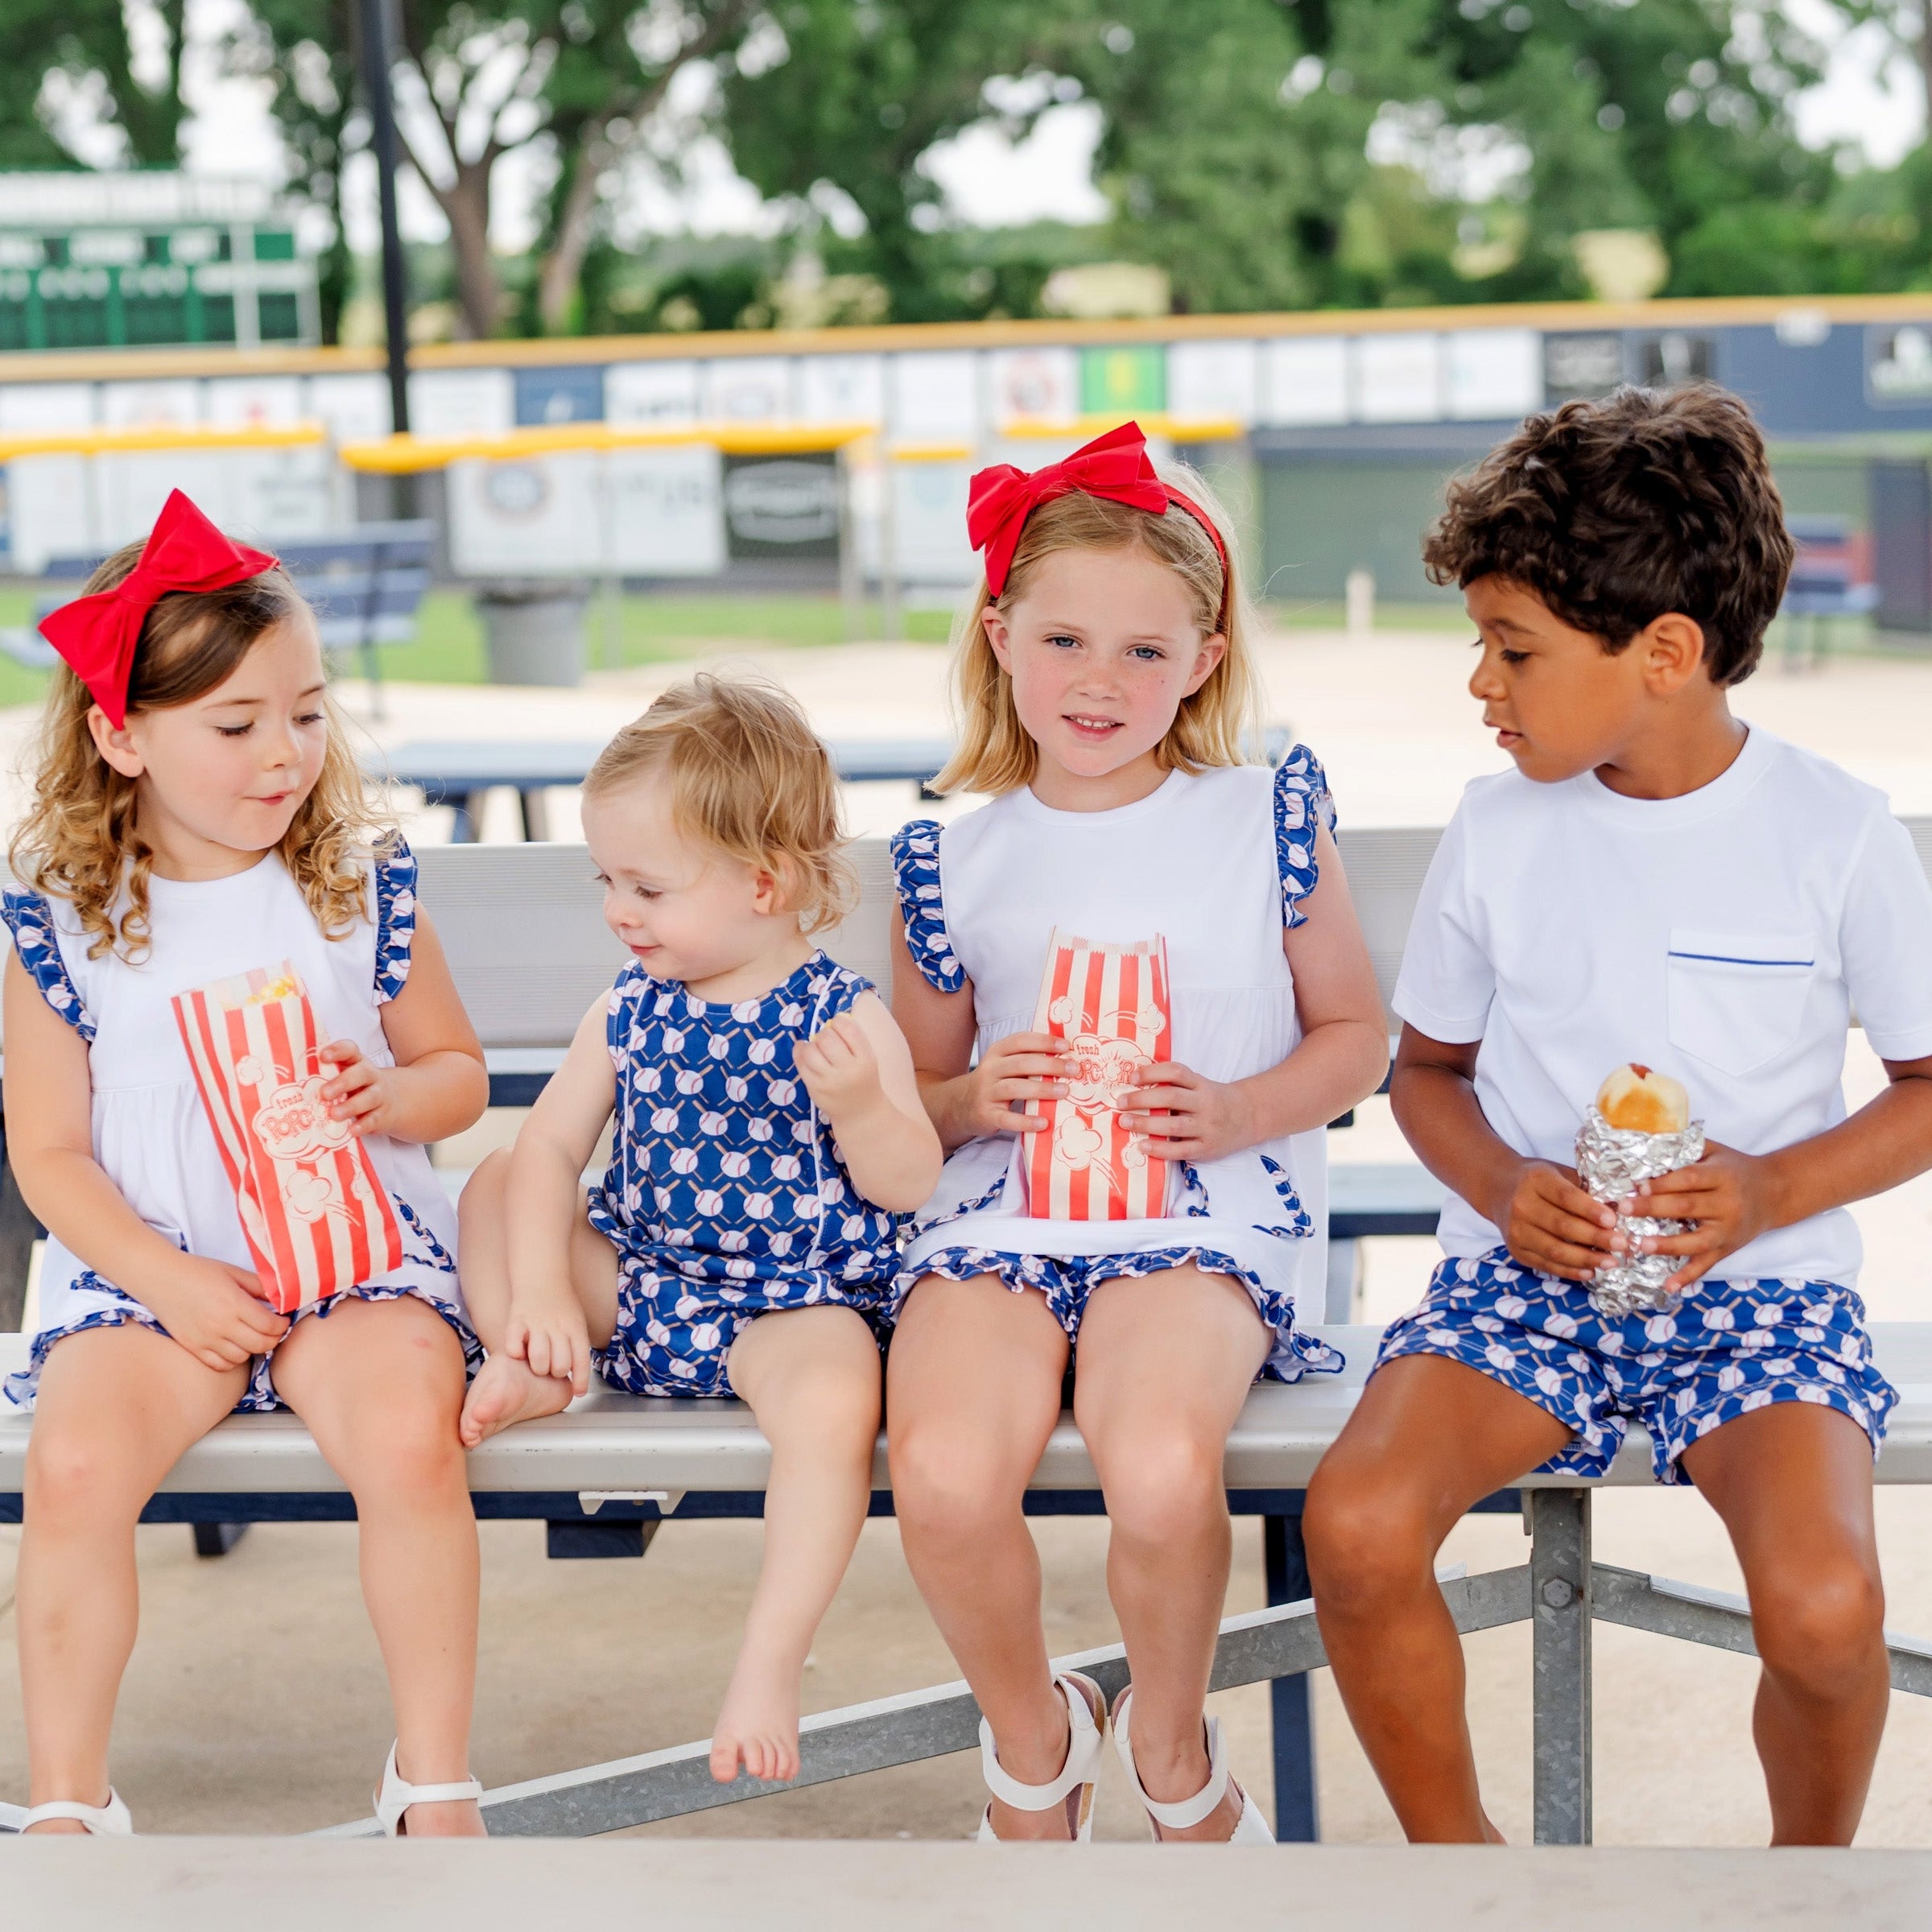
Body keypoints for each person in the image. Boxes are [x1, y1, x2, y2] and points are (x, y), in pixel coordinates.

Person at [1303, 385, 1932, 1847]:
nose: (1483, 685)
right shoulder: (1498, 827)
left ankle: (1803, 1880)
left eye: (1514, 650)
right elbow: (1427, 1075)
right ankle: (1468, 1879)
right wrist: (1503, 1182)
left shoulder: (1834, 833)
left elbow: (1925, 1094)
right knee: (1356, 1528)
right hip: (1528, 1292)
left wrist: (1770, 1191)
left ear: (1665, 655)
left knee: (1830, 1613)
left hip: (1760, 1298)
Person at [885, 422, 1389, 1843]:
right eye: (1062, 642)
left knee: (1161, 1464)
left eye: (1145, 654)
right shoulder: (952, 854)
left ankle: (1170, 1747)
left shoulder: (1261, 817)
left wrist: (1241, 1110)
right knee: (939, 1470)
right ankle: (1035, 1744)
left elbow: (1355, 1039)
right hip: (1003, 1216)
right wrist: (972, 1099)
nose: (1099, 683)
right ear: (998, 638)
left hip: (1201, 1212)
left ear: (1207, 660)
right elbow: (915, 1102)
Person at [4, 492, 491, 1837]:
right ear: (121, 737)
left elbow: (457, 1069)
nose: (285, 754)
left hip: (356, 1262)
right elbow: (48, 1154)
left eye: (308, 712)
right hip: (157, 1278)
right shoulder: (71, 927)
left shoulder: (353, 890)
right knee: (81, 1465)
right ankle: (66, 1799)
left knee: (408, 1433)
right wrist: (169, 1280)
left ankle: (434, 1776)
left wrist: (396, 1094)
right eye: (236, 725)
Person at [456, 673, 940, 1788]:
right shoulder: (626, 1006)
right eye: (608, 883)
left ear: (764, 882)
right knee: (490, 1185)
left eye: (648, 888)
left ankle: (770, 1662)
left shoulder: (841, 1014)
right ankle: (531, 1361)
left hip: (791, 1308)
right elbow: (550, 1154)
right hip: (645, 1291)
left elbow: (910, 1179)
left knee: (832, 1396)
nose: (621, 912)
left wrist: (865, 1109)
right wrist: (537, 1291)